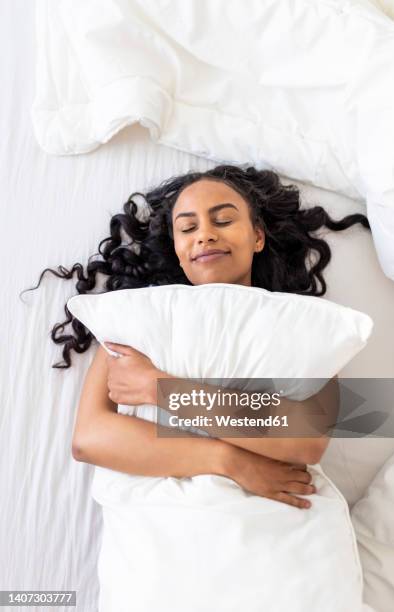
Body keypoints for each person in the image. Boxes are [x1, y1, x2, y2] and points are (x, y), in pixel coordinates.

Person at [21, 164, 370, 509]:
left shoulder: (302, 322)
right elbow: (90, 438)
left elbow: (305, 440)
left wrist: (156, 387)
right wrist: (231, 461)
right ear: (176, 246)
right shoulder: (136, 316)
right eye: (188, 227)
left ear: (258, 236)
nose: (205, 234)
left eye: (223, 221)